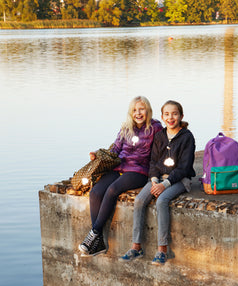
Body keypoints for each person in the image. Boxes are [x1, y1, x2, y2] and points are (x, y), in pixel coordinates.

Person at [78, 96, 163, 257]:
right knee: (95, 192)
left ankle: (94, 233)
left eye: (141, 109)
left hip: (139, 170)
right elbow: (115, 150)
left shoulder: (155, 128)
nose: (138, 113)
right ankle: (99, 242)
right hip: (120, 167)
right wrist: (97, 154)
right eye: (134, 110)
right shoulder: (126, 128)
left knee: (112, 190)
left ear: (148, 110)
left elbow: (158, 153)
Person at [120, 100, 195, 265]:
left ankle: (162, 250)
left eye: (174, 114)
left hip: (179, 180)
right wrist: (154, 181)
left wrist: (164, 185)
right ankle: (136, 247)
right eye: (167, 114)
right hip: (158, 179)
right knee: (139, 200)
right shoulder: (160, 135)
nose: (171, 117)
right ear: (162, 117)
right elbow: (153, 162)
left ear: (181, 116)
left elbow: (184, 167)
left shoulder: (186, 137)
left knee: (161, 201)